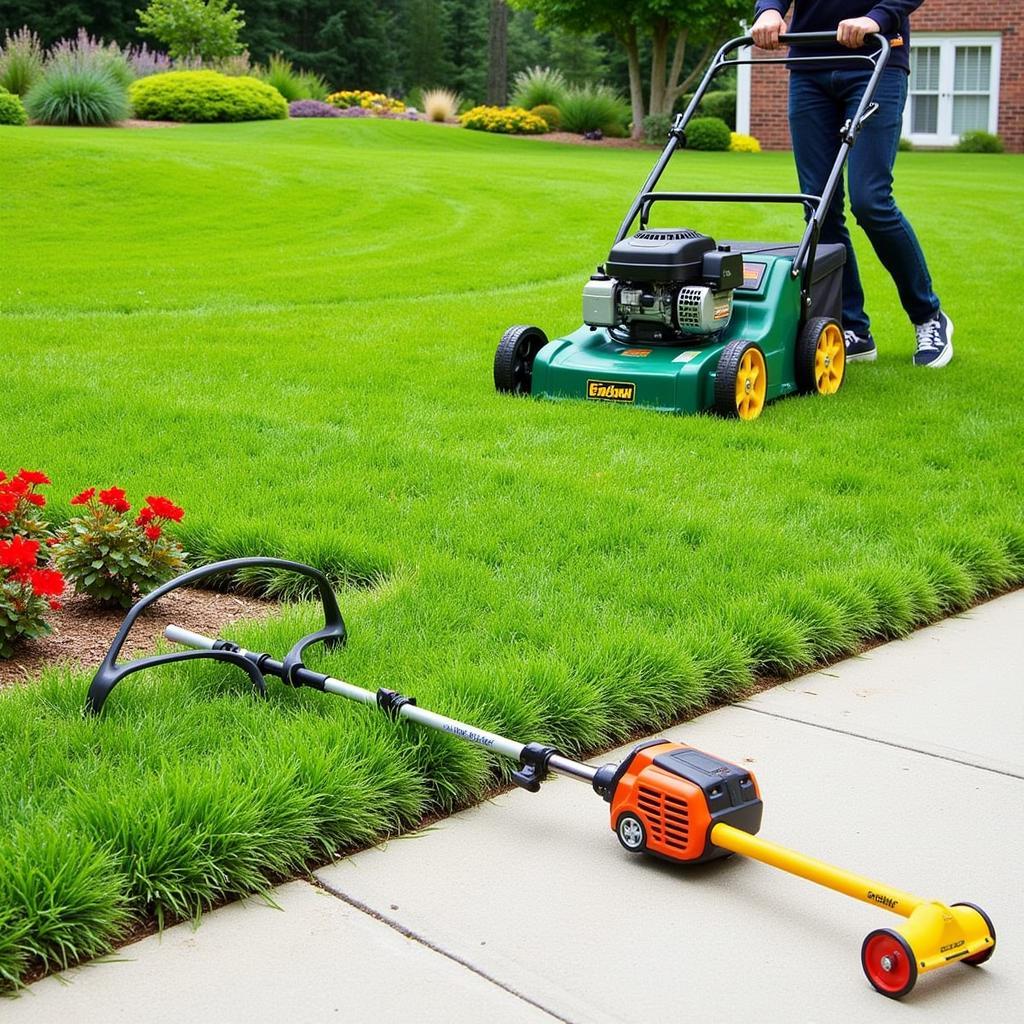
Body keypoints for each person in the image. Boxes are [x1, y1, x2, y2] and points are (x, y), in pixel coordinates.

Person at [751, 1, 953, 367]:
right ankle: (853, 329)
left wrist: (875, 18)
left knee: (871, 200)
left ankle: (928, 316)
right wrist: (768, 9)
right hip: (809, 65)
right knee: (819, 205)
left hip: (874, 60)